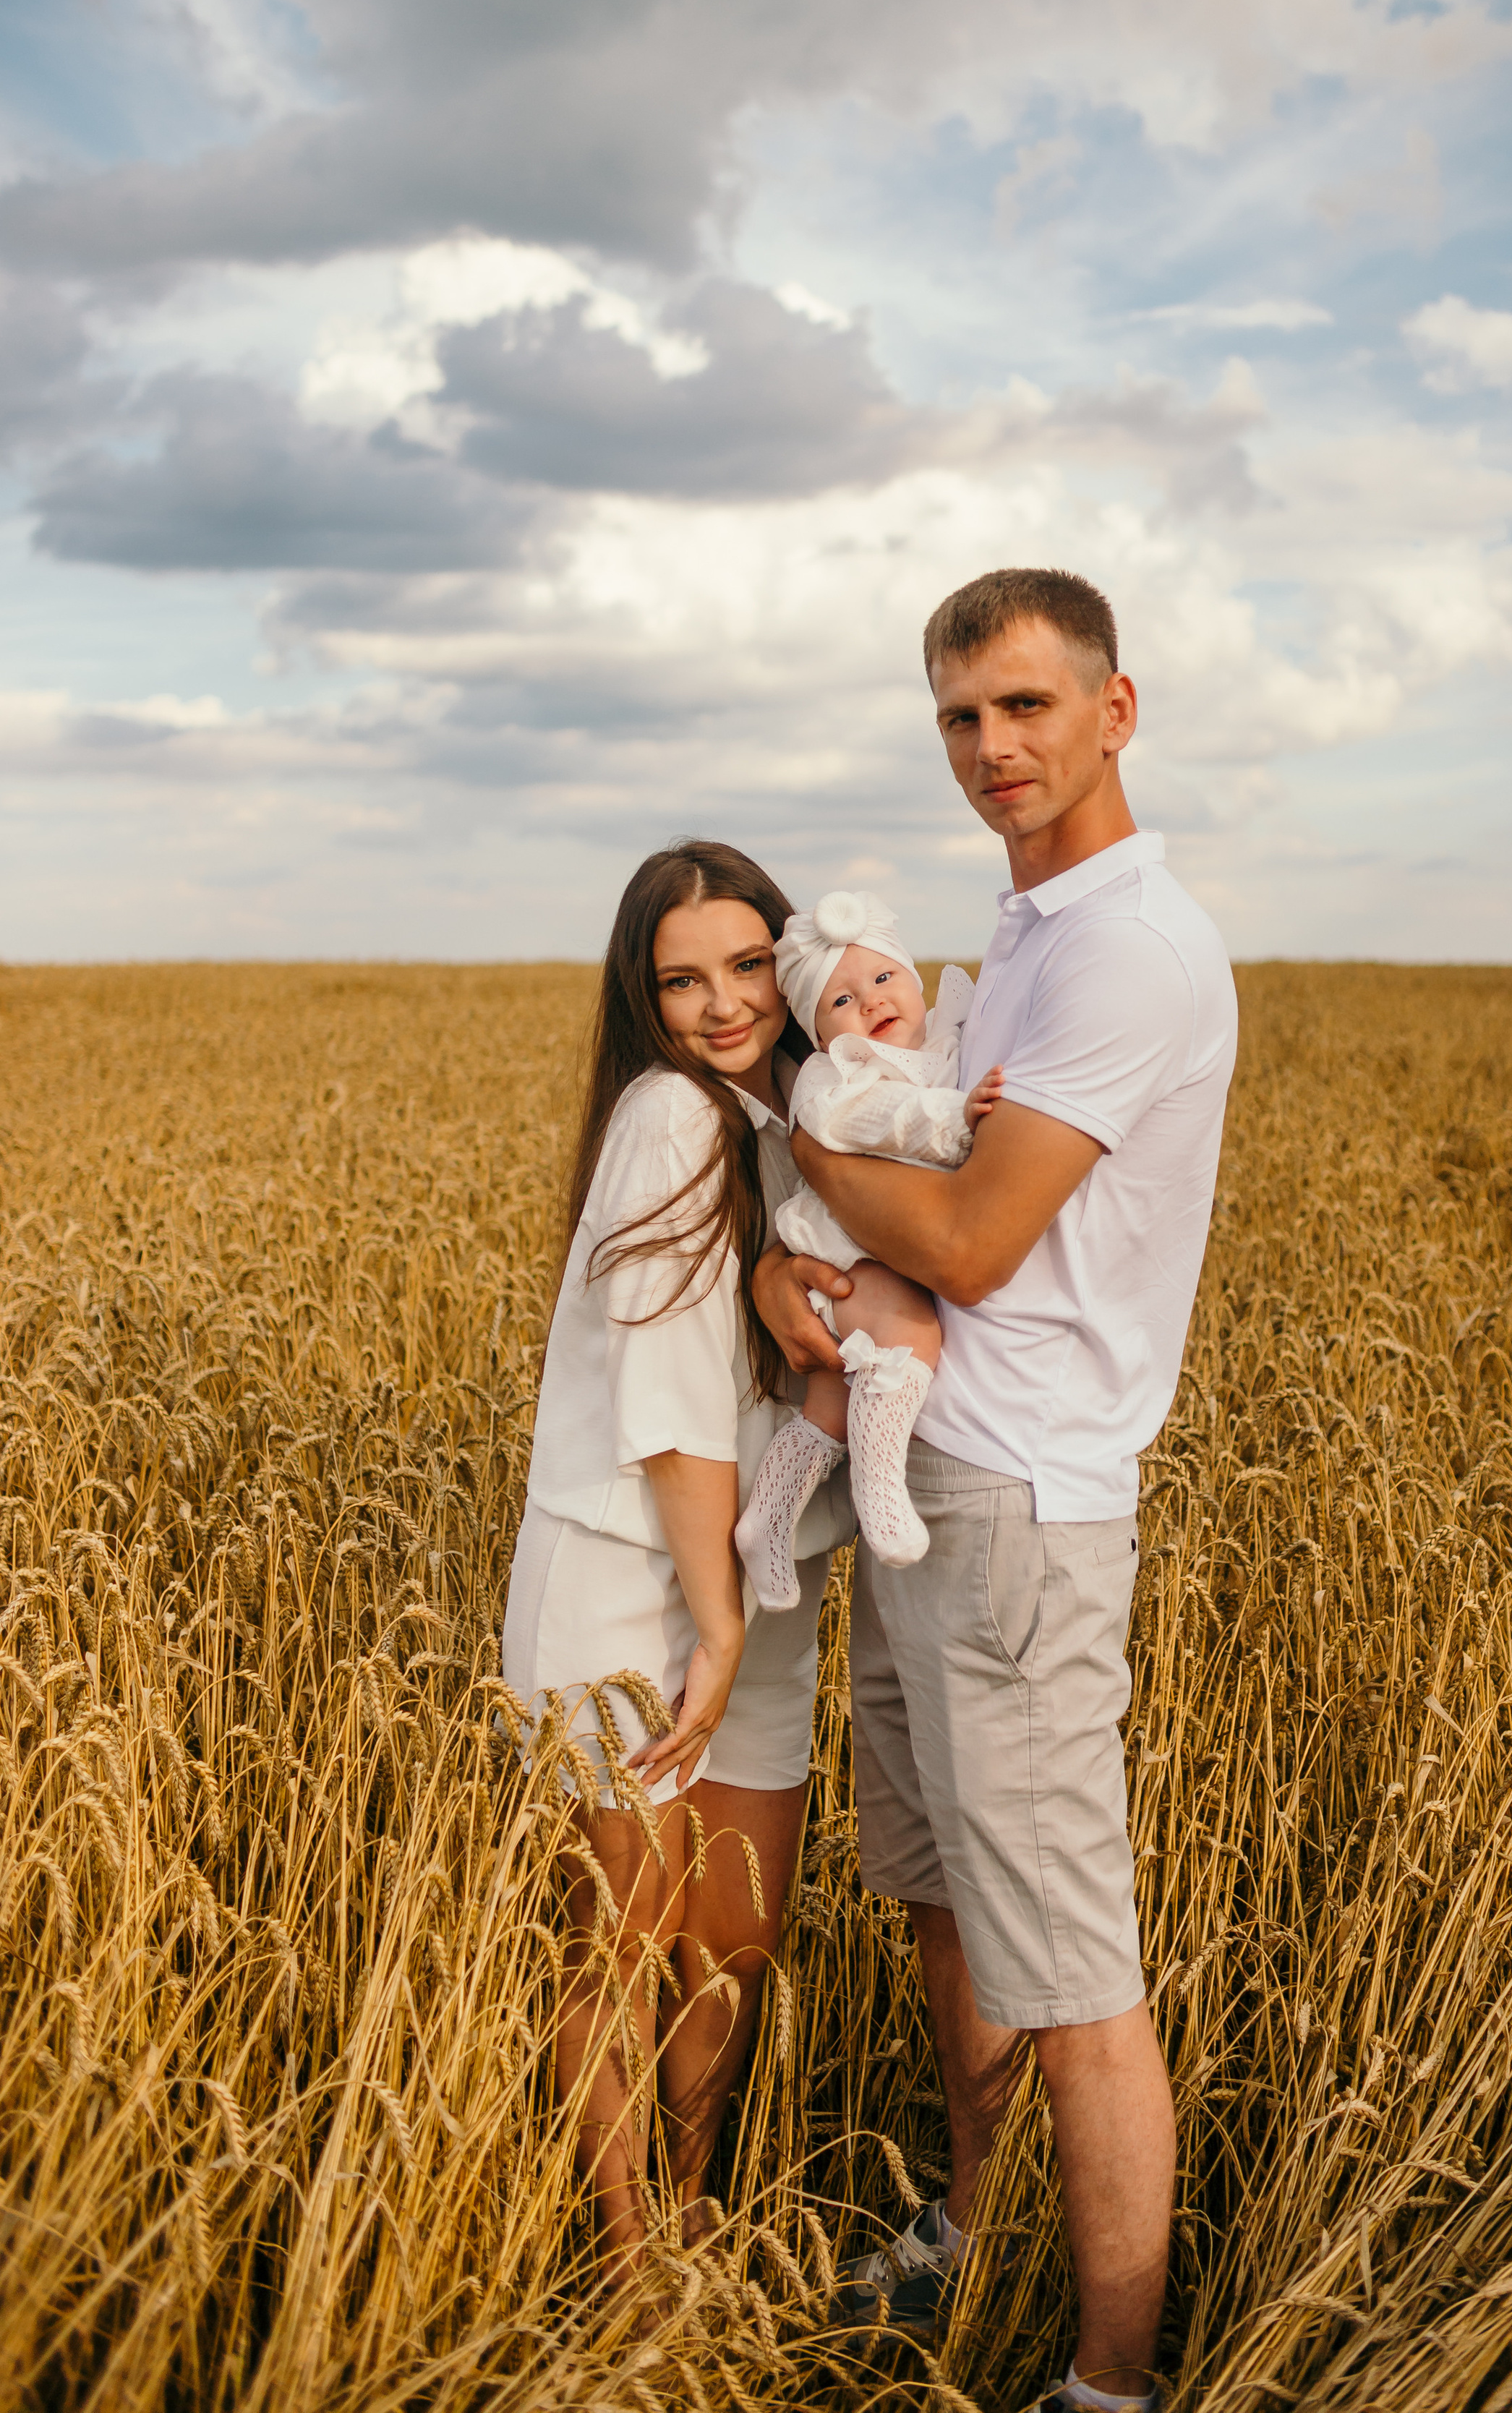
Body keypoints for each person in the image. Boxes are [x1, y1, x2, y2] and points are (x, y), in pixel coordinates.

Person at [753, 568, 1238, 2413]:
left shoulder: (1126, 949)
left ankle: (1108, 2381)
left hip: (1023, 1503)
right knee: (947, 1898)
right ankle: (971, 2226)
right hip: (931, 1471)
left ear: (1115, 711)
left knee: (1074, 1965)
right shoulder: (1020, 931)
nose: (991, 746)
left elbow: (962, 1235)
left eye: (1026, 706)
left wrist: (800, 1137)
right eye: (960, 715)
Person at [500, 839, 852, 2279]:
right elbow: (667, 1405)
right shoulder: (666, 1117)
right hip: (630, 1585)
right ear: (641, 1003)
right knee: (623, 1938)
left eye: (749, 964)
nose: (726, 1005)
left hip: (754, 1587)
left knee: (735, 1936)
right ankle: (631, 2257)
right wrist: (714, 1628)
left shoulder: (790, 1123)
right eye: (683, 981)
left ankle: (694, 2201)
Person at [734, 888, 1001, 1608]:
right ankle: (880, 1491)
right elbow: (880, 1118)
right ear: (819, 1032)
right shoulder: (835, 1079)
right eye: (842, 1001)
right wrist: (957, 1115)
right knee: (911, 1332)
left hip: (882, 1243)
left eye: (884, 978)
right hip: (850, 1251)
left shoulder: (947, 1040)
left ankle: (766, 1521)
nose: (872, 1002)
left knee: (828, 1402)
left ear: (913, 978)